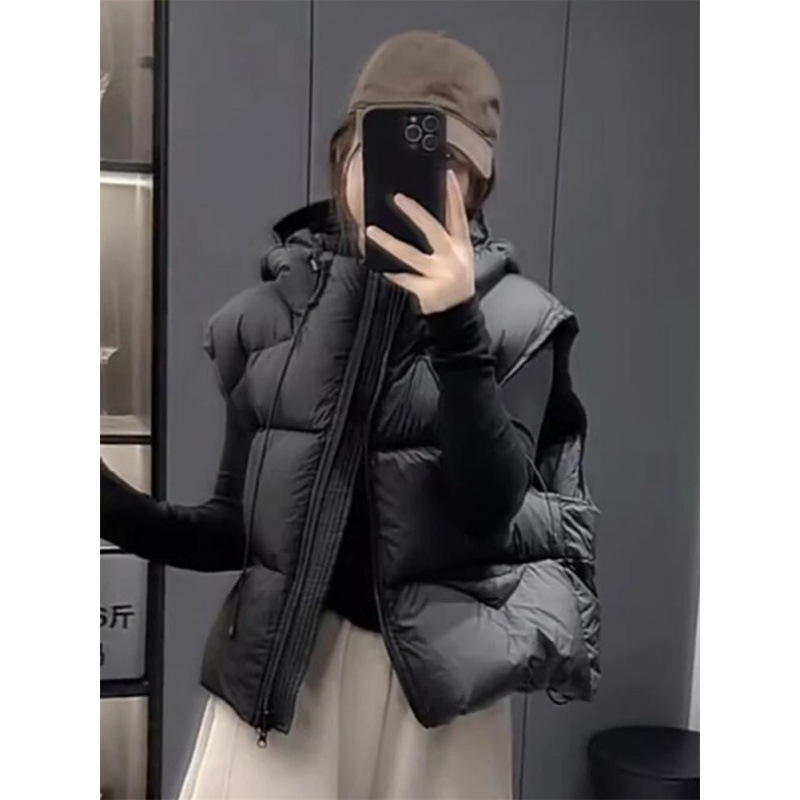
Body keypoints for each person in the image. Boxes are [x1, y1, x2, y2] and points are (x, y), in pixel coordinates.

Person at [101, 30, 601, 800]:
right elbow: (236, 532)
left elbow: (488, 509)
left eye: (448, 159)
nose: (418, 179)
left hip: (437, 715)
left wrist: (456, 325)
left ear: (478, 182)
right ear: (346, 158)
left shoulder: (521, 324)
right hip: (288, 686)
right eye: (391, 149)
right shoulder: (266, 318)